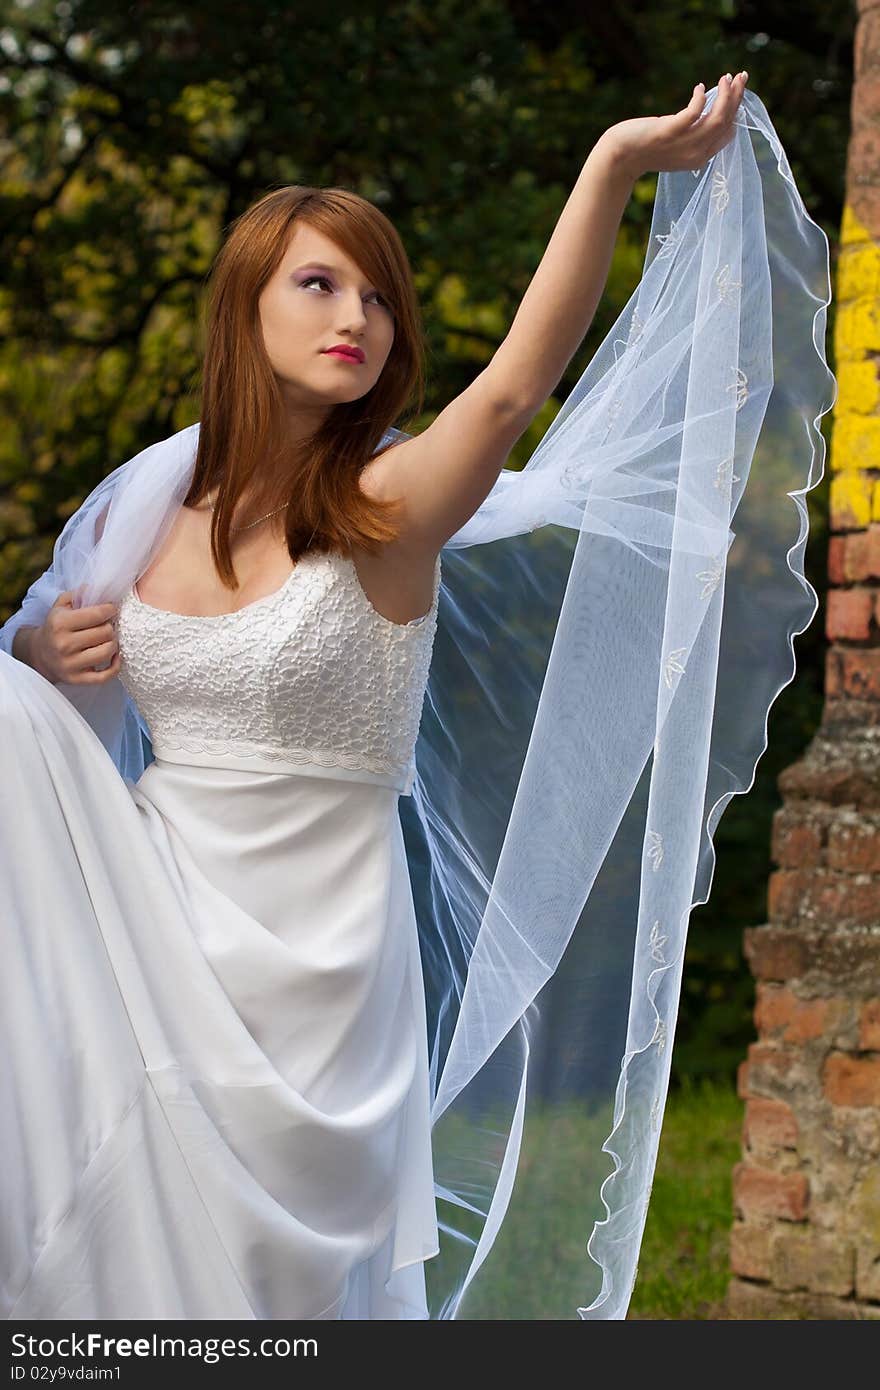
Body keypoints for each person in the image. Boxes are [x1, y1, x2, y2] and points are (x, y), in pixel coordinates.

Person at [0, 73, 831, 1320]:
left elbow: (507, 390)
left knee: (275, 1280)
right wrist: (36, 653)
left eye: (380, 296)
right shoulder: (142, 518)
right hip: (150, 911)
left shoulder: (388, 511)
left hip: (320, 959)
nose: (361, 316)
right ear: (244, 308)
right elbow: (48, 716)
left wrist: (611, 162)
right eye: (321, 285)